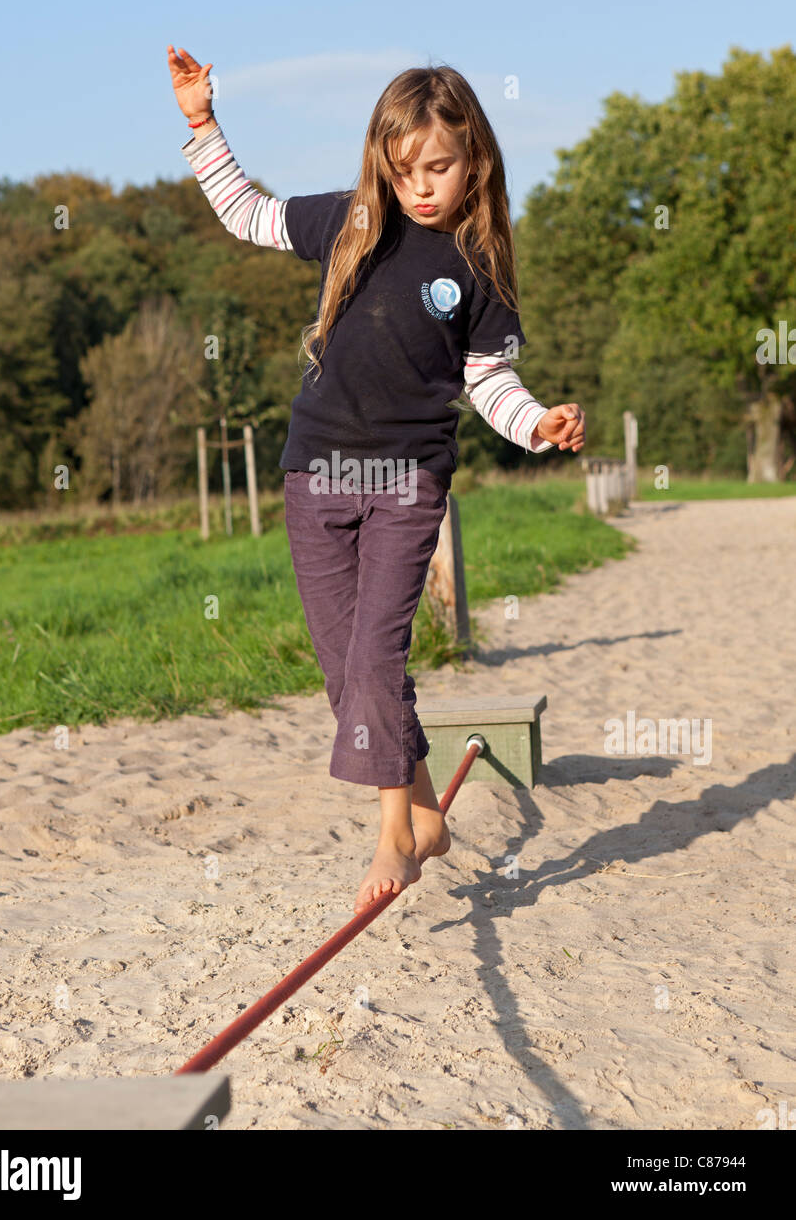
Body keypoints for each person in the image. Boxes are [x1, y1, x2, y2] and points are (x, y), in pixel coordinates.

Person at [167, 45, 586, 914]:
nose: (422, 186)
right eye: (404, 171)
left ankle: (395, 830)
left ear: (475, 160)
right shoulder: (353, 224)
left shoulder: (480, 271)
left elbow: (489, 382)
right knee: (341, 671)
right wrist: (203, 123)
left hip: (407, 481)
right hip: (312, 473)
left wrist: (537, 424)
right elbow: (247, 213)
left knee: (375, 655)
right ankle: (428, 811)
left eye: (439, 166)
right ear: (381, 165)